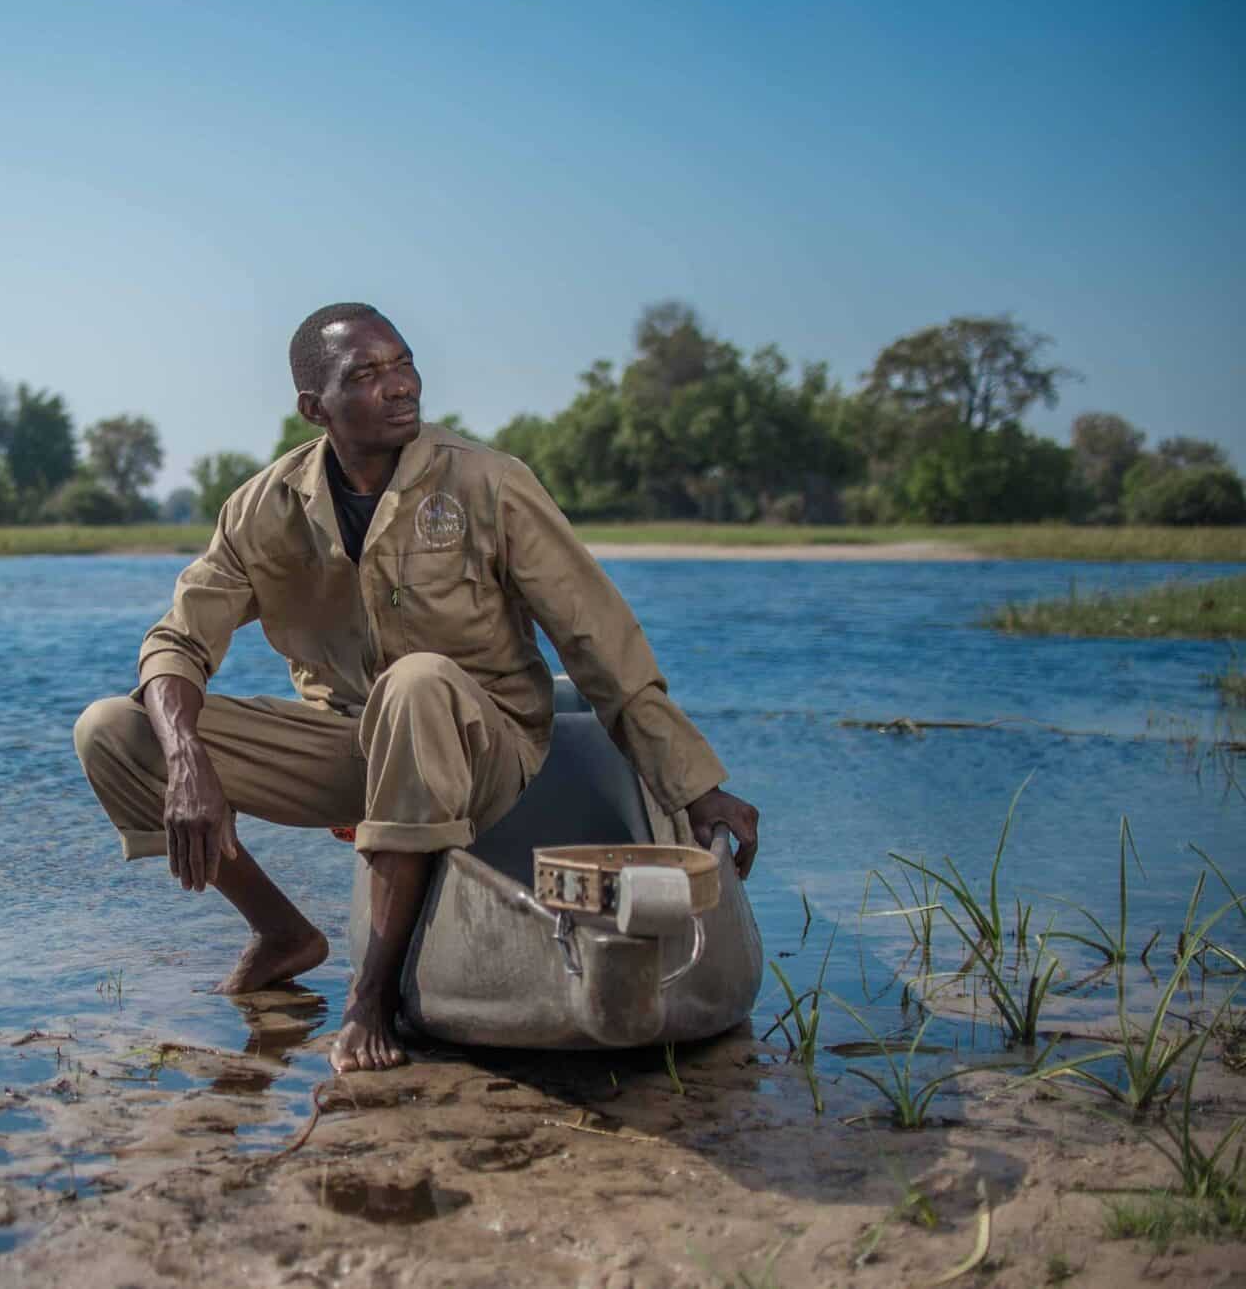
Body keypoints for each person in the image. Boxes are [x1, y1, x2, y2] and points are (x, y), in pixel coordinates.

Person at [73, 302, 760, 1073]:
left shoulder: (489, 482)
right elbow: (177, 641)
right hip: (354, 744)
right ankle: (283, 931)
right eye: (366, 374)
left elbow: (601, 645)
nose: (399, 386)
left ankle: (372, 998)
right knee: (114, 729)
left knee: (419, 681)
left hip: (486, 741)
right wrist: (189, 761)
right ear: (315, 408)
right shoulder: (263, 508)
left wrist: (697, 787)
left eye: (402, 363)